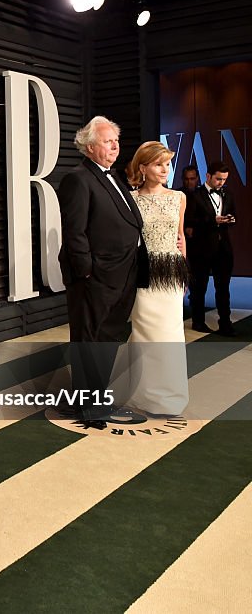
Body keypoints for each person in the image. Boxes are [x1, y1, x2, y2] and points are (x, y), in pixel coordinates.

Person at [57, 116, 148, 428]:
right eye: (108, 141)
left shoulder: (111, 176)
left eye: (116, 140)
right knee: (89, 339)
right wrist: (86, 273)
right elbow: (74, 231)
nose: (115, 146)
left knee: (106, 338)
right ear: (90, 146)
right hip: (95, 278)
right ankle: (88, 407)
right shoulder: (78, 178)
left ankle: (95, 400)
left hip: (121, 273)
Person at [120, 142, 189, 415]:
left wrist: (184, 271)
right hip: (144, 274)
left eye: (167, 164)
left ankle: (168, 398)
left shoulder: (178, 197)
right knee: (145, 333)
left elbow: (181, 237)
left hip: (171, 273)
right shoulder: (131, 199)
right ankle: (140, 393)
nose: (165, 170)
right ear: (143, 167)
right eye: (159, 164)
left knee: (171, 334)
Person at [186, 161, 237, 336]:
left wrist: (230, 219)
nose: (221, 182)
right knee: (199, 287)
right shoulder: (195, 196)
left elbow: (233, 213)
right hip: (201, 249)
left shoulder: (228, 194)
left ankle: (225, 323)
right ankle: (198, 322)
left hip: (223, 248)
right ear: (208, 176)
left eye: (224, 179)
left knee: (223, 288)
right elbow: (189, 223)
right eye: (218, 179)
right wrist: (212, 221)